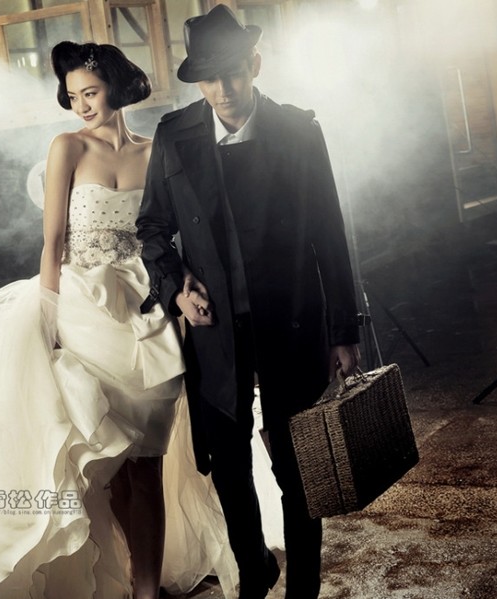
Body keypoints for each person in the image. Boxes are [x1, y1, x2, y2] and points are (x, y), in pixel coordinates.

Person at [0, 40, 279, 599]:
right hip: (82, 311)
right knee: (111, 462)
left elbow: (171, 234)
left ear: (116, 88)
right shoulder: (67, 147)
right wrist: (47, 320)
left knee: (146, 462)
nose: (81, 105)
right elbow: (52, 243)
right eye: (73, 95)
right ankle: (133, 576)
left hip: (148, 315)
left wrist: (185, 289)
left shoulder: (156, 150)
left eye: (90, 93)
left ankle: (145, 588)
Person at [136, 5, 361, 599]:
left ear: (255, 65)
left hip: (293, 321)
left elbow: (330, 234)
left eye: (233, 73)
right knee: (229, 466)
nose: (223, 90)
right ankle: (254, 571)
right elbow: (152, 228)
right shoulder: (175, 135)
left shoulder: (298, 130)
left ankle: (304, 589)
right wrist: (177, 286)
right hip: (216, 331)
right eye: (209, 79)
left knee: (298, 469)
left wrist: (344, 329)